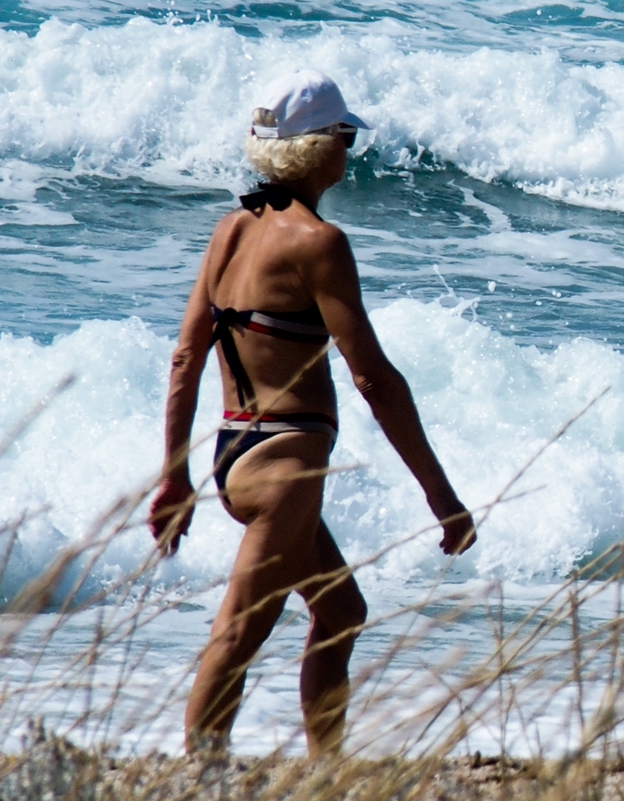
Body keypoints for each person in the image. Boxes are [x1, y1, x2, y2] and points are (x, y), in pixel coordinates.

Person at [149, 69, 476, 757]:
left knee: (340, 610)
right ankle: (198, 784)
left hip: (234, 456)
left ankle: (329, 773)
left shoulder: (232, 231)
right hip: (285, 467)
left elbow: (186, 360)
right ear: (312, 147)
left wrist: (175, 477)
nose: (350, 150)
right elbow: (373, 378)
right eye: (344, 135)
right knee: (239, 632)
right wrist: (439, 494)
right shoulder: (318, 243)